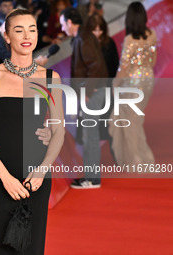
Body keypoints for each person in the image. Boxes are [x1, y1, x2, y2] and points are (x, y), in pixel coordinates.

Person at [0, 8, 65, 254]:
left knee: (32, 248)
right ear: (6, 36)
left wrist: (43, 169)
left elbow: (59, 131)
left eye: (32, 29)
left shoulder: (50, 78)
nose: (27, 35)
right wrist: (5, 178)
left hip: (36, 176)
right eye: (19, 30)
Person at [59, 7, 108, 188]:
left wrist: (87, 91)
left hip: (92, 93)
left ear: (70, 22)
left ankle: (92, 178)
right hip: (92, 92)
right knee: (89, 134)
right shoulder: (81, 37)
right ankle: (90, 176)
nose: (62, 28)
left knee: (90, 135)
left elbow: (95, 66)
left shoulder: (84, 38)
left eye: (63, 23)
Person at [108, 1, 156, 166]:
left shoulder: (129, 40)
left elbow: (124, 66)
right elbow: (153, 60)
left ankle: (135, 158)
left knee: (130, 120)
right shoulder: (152, 35)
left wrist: (115, 84)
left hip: (132, 83)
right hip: (148, 79)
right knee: (136, 119)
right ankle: (141, 157)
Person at [84, 13, 119, 142]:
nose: (98, 33)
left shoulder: (109, 43)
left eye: (100, 29)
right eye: (94, 30)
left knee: (108, 115)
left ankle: (108, 135)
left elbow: (115, 64)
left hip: (108, 86)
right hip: (93, 88)